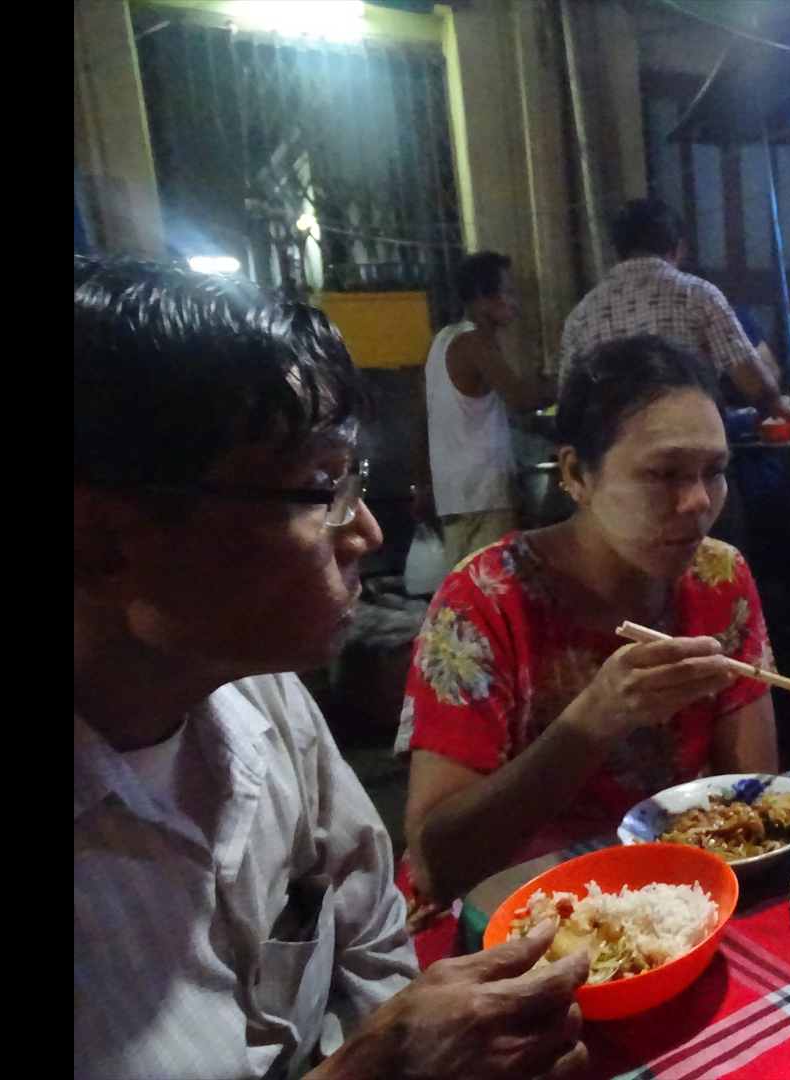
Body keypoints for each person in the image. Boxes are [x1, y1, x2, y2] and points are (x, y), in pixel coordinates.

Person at [74, 258, 590, 1079]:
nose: (367, 535)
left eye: (355, 483)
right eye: (321, 488)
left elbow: (373, 935)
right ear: (102, 538)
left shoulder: (263, 695)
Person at [396, 334, 780, 966]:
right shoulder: (485, 598)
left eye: (714, 471)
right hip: (520, 913)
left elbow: (751, 796)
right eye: (662, 474)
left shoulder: (719, 576)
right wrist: (593, 720)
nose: (698, 504)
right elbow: (439, 863)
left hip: (673, 903)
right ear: (576, 474)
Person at [559, 198, 790, 419]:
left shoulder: (581, 313)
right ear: (679, 248)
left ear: (616, 250)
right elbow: (757, 385)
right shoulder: (698, 295)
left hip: (615, 451)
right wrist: (773, 409)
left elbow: (568, 401)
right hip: (691, 439)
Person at [423, 251, 554, 570]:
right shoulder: (475, 341)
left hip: (452, 492)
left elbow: (423, 418)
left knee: (464, 590)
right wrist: (573, 379)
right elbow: (520, 398)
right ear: (483, 297)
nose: (514, 304)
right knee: (493, 587)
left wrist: (421, 484)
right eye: (508, 293)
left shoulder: (442, 340)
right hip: (483, 493)